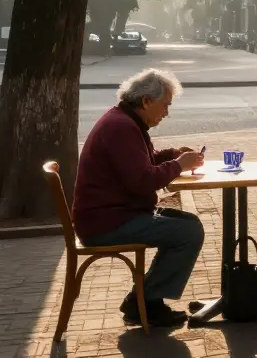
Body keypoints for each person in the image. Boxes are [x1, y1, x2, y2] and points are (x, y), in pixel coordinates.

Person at [73, 68, 206, 328]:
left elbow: (140, 163)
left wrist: (172, 155)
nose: (166, 112)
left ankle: (145, 299)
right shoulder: (122, 127)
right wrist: (178, 165)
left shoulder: (123, 120)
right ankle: (145, 301)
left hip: (110, 215)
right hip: (108, 223)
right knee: (188, 231)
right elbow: (142, 181)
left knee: (184, 223)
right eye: (165, 105)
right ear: (146, 101)